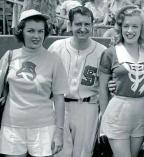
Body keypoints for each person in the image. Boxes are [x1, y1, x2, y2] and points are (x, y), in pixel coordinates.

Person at [0, 9, 68, 157]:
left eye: (40, 31)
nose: (36, 36)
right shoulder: (10, 57)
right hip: (12, 127)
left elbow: (59, 99)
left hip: (44, 128)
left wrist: (59, 132)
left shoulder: (54, 60)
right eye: (31, 31)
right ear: (21, 32)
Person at [48, 6, 107, 157]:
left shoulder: (102, 51)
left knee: (84, 153)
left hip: (88, 107)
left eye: (87, 24)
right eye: (78, 24)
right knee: (58, 151)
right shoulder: (56, 47)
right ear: (70, 25)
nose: (83, 28)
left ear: (92, 26)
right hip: (59, 106)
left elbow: (105, 85)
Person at [99, 5, 144, 157]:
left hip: (141, 113)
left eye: (135, 26)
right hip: (117, 113)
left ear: (142, 29)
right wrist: (103, 120)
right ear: (120, 28)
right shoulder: (110, 53)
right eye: (126, 26)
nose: (130, 31)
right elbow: (102, 89)